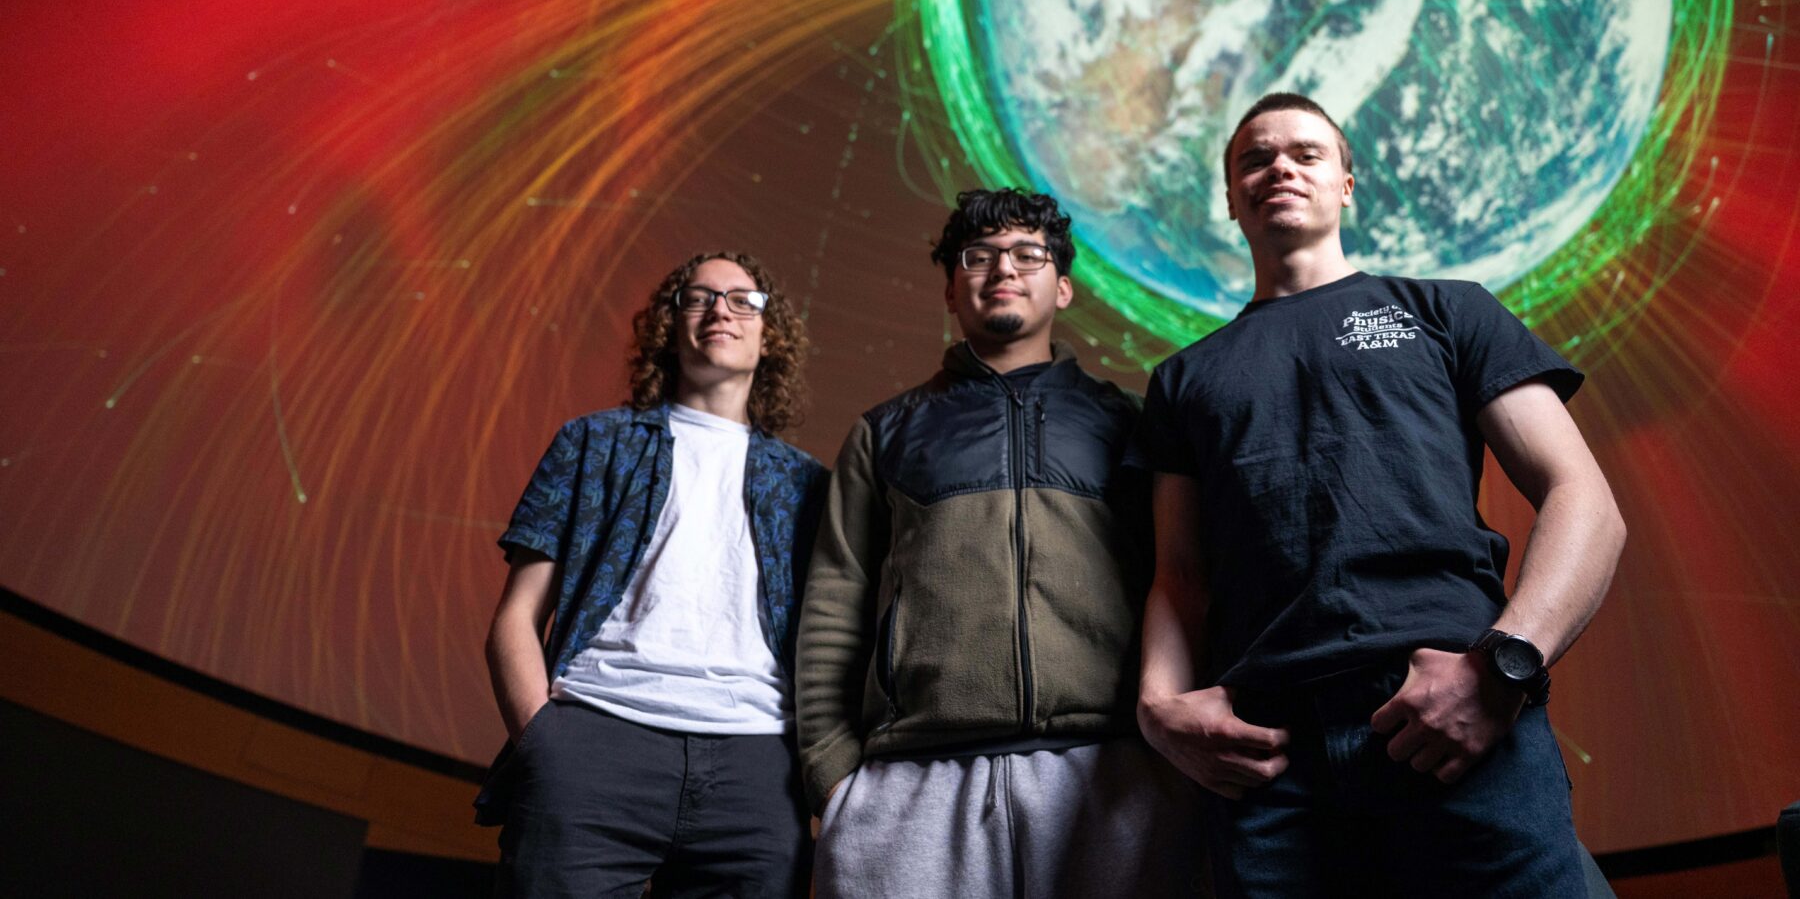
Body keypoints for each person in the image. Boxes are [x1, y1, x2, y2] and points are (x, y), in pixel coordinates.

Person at [1132, 92, 1628, 897]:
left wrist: (1501, 669)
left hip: (1453, 717)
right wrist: (1158, 709)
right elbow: (1179, 577)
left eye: (1306, 152)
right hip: (1268, 764)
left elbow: (1584, 500)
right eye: (1254, 159)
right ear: (1229, 198)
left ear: (1347, 184)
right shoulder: (1182, 380)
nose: (1279, 167)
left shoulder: (1445, 310)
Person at [797, 188, 1202, 898]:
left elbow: (1184, 581)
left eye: (1026, 255)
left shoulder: (1132, 424)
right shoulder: (883, 432)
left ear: (1064, 287)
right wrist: (833, 778)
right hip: (912, 786)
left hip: (1116, 777)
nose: (1001, 269)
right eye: (977, 257)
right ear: (952, 291)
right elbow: (835, 601)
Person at [476, 251, 829, 898]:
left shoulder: (811, 486)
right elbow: (516, 617)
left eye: (741, 299)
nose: (720, 308)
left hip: (758, 771)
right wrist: (545, 745)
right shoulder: (590, 444)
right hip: (596, 741)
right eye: (698, 297)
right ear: (671, 326)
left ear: (768, 333)